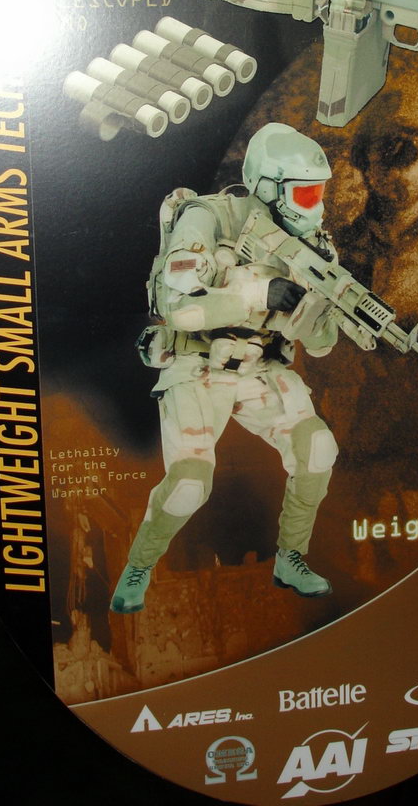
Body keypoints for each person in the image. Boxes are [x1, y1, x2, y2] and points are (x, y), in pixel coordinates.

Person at [111, 122, 340, 613]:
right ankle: (138, 567)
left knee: (317, 448)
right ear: (268, 187)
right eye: (304, 194)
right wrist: (259, 292)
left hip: (260, 363)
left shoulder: (313, 245)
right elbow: (178, 308)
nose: (315, 206)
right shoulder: (208, 216)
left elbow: (322, 346)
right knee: (189, 483)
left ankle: (290, 558)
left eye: (319, 192)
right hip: (198, 361)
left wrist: (315, 312)